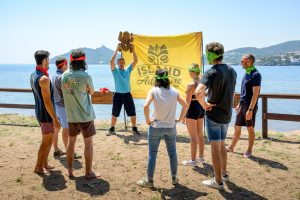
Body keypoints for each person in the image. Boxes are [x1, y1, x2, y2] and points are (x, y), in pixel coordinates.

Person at [137, 69, 188, 188]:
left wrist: (147, 120)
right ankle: (174, 178)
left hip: (156, 127)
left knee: (152, 154)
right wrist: (180, 119)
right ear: (167, 79)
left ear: (156, 79)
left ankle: (149, 181)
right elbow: (185, 105)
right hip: (170, 127)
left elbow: (145, 106)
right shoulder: (174, 91)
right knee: (172, 153)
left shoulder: (154, 91)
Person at [195, 42, 237, 190]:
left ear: (210, 55)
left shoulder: (210, 72)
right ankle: (224, 174)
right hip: (227, 114)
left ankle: (217, 181)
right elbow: (226, 89)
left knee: (215, 148)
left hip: (214, 115)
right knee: (222, 145)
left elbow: (198, 92)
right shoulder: (232, 70)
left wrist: (204, 105)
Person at [61, 49, 99, 179]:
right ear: (83, 61)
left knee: (71, 143)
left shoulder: (64, 75)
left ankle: (70, 171)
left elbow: (66, 91)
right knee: (88, 143)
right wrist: (87, 89)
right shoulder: (86, 76)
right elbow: (92, 92)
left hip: (71, 115)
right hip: (85, 115)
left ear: (71, 61)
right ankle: (88, 172)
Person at [30, 50, 61, 174]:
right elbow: (47, 101)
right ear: (44, 61)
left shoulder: (34, 74)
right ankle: (38, 166)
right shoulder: (43, 79)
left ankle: (45, 163)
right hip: (45, 115)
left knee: (49, 138)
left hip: (40, 111)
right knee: (46, 140)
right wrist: (55, 118)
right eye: (48, 59)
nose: (50, 62)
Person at [227, 54, 261, 158]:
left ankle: (249, 150)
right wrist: (238, 104)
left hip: (250, 106)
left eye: (246, 61)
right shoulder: (246, 73)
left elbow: (255, 94)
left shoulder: (256, 74)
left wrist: (250, 109)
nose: (243, 63)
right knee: (236, 126)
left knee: (250, 128)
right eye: (242, 61)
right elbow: (244, 92)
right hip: (242, 105)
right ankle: (231, 147)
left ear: (252, 61)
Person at [107, 43, 140, 136]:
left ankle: (134, 128)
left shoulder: (128, 69)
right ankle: (112, 128)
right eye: (119, 63)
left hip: (127, 94)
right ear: (117, 64)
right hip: (118, 95)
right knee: (114, 113)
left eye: (122, 63)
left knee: (132, 112)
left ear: (124, 63)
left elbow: (136, 60)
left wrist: (133, 50)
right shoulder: (115, 71)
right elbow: (111, 62)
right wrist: (117, 49)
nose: (121, 64)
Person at [182, 63, 205, 167]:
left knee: (193, 137)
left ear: (192, 72)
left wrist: (182, 116)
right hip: (201, 107)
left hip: (192, 108)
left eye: (189, 71)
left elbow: (187, 102)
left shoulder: (190, 85)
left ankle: (192, 160)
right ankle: (201, 158)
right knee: (200, 134)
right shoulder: (203, 83)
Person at [51, 57, 69, 158]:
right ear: (64, 65)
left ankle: (56, 149)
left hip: (56, 105)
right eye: (67, 64)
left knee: (56, 128)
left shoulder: (54, 76)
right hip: (62, 106)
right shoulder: (62, 77)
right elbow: (67, 93)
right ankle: (69, 151)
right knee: (66, 129)